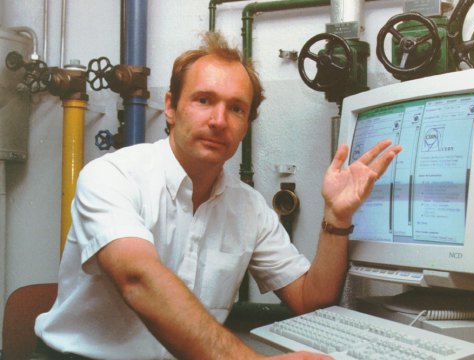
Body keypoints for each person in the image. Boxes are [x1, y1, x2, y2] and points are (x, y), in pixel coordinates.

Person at [33, 32, 401, 360]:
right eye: (204, 100)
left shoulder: (249, 208)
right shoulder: (112, 176)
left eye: (236, 108)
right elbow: (138, 279)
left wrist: (336, 217)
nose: (219, 120)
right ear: (173, 107)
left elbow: (310, 299)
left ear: (246, 124)